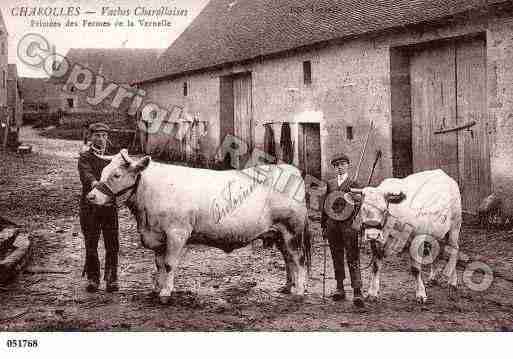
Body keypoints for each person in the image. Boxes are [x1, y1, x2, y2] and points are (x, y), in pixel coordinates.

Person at [78, 122, 119, 293]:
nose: (101, 139)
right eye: (97, 135)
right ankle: (93, 279)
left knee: (112, 244)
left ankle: (111, 279)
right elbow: (86, 174)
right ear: (90, 137)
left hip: (109, 206)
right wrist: (95, 183)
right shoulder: (85, 157)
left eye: (104, 136)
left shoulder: (114, 157)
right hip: (90, 207)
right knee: (91, 243)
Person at [321, 153, 364, 308]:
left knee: (352, 256)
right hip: (333, 225)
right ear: (334, 167)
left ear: (347, 165)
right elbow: (325, 206)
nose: (340, 167)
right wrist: (324, 225)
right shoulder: (331, 184)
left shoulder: (354, 183)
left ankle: (357, 290)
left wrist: (356, 222)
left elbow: (359, 206)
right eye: (337, 165)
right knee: (336, 256)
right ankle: (340, 288)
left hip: (348, 226)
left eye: (343, 164)